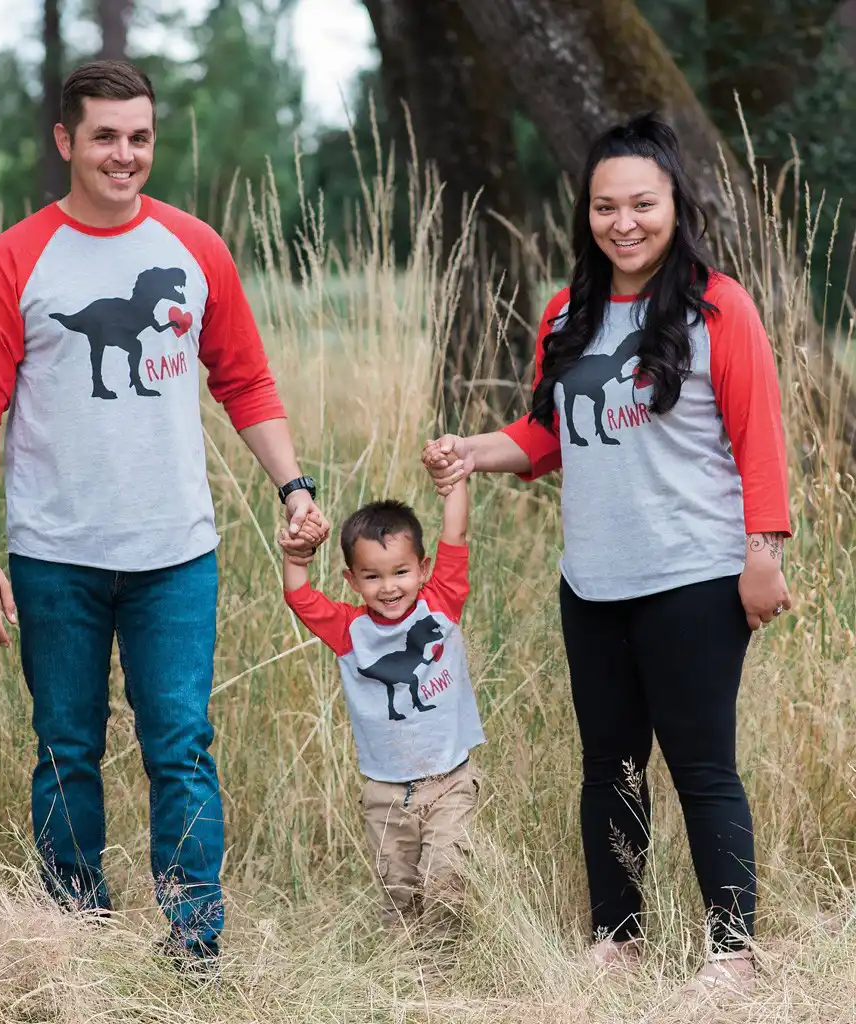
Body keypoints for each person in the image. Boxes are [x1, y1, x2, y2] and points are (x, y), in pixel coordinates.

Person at [0, 59, 328, 967]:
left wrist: (295, 487)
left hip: (174, 555)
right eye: (106, 136)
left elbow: (245, 379)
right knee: (67, 746)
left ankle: (193, 940)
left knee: (181, 746)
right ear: (66, 141)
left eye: (141, 137)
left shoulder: (196, 250)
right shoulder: (16, 260)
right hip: (54, 554)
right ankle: (76, 930)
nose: (126, 154)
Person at [423, 113, 791, 995]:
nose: (624, 223)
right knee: (609, 764)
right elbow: (548, 436)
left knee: (701, 767)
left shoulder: (718, 306)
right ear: (585, 211)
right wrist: (474, 449)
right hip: (591, 580)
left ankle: (732, 952)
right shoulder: (568, 311)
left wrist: (763, 552)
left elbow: (760, 439)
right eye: (604, 206)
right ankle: (616, 939)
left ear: (675, 203)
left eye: (643, 204)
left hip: (696, 576)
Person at [278, 481, 485, 940]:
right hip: (385, 792)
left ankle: (442, 968)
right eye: (372, 576)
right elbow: (301, 598)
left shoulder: (441, 603)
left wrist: (456, 476)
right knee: (397, 891)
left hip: (448, 779)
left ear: (422, 568)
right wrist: (297, 558)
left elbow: (456, 532)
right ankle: (404, 974)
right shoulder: (350, 631)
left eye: (400, 572)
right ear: (352, 580)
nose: (389, 588)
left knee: (445, 877)